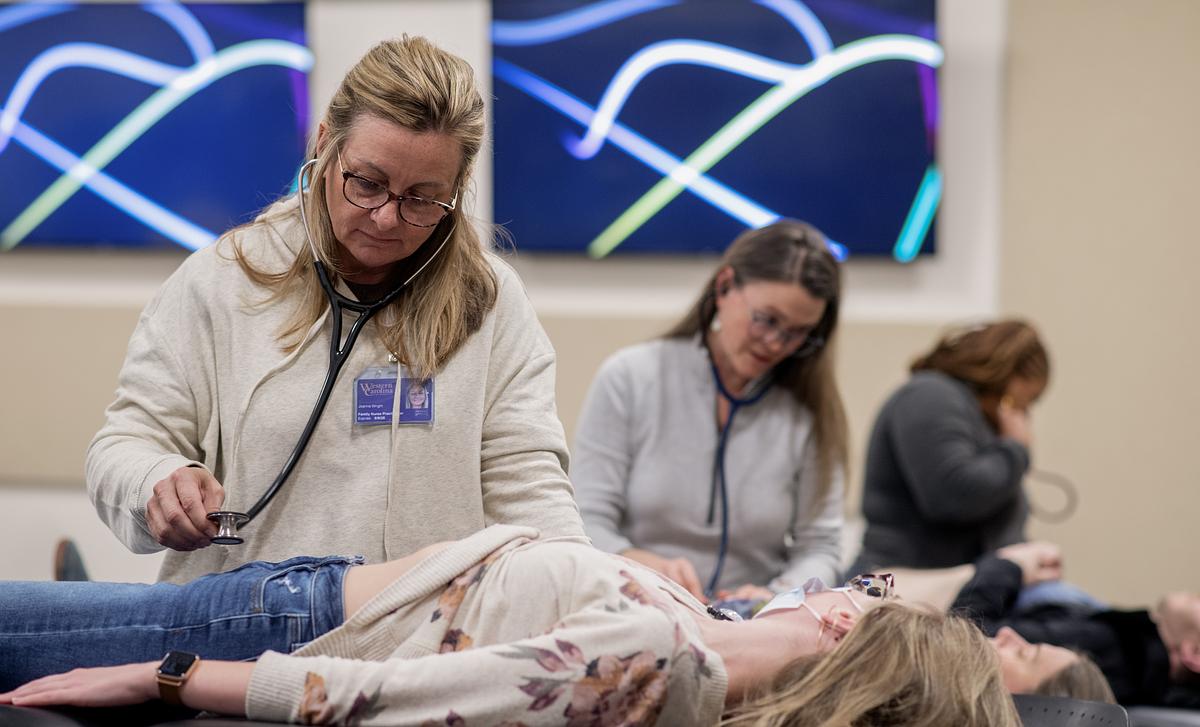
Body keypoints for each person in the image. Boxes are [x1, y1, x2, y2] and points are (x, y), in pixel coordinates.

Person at [84, 36, 583, 584]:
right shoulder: (222, 282)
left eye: (421, 198)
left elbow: (529, 486)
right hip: (243, 623)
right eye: (367, 183)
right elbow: (124, 445)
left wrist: (583, 587)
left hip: (421, 631)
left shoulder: (491, 302)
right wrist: (160, 478)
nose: (386, 218)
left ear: (457, 189)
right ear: (325, 146)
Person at [0, 527, 1020, 726]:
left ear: (844, 632)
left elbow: (382, 697)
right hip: (304, 592)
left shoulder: (661, 664)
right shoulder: (719, 638)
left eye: (868, 595)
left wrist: (167, 673)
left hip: (280, 625)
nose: (855, 585)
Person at [572, 220, 848, 607]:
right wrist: (637, 563)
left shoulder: (808, 413)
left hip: (755, 622)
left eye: (798, 333)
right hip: (635, 604)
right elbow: (584, 522)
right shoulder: (630, 378)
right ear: (724, 287)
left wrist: (777, 595)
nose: (776, 343)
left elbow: (820, 548)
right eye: (767, 319)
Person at [852, 320, 1049, 574]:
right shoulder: (930, 394)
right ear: (1012, 378)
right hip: (901, 579)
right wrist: (1015, 449)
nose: (1025, 412)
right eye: (1029, 399)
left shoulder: (977, 417)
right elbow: (956, 494)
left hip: (969, 580)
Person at [949, 541, 1200, 708]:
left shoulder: (1116, 650)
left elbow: (967, 635)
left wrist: (1009, 564)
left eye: (1026, 652)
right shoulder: (1131, 641)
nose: (1008, 635)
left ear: (1195, 654)